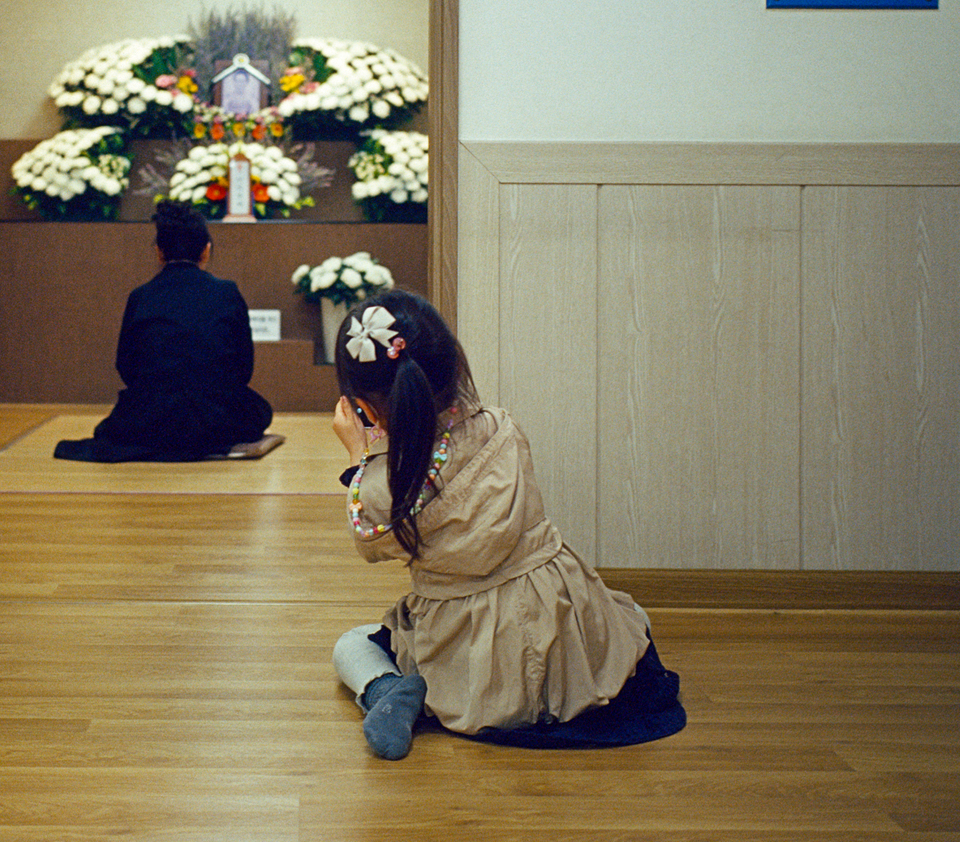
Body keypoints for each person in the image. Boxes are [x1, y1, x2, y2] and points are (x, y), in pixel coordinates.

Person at [328, 289, 686, 759]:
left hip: (470, 655)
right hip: (554, 611)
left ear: (366, 408)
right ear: (455, 365)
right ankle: (578, 670)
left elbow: (368, 538)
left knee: (352, 645)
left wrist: (360, 457)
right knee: (626, 617)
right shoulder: (501, 428)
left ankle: (387, 691)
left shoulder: (384, 488)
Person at [53, 200, 274, 463]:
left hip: (151, 419)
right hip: (214, 419)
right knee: (258, 411)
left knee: (122, 422)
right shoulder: (227, 292)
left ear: (159, 252)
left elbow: (126, 367)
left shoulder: (141, 296)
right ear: (206, 251)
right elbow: (243, 369)